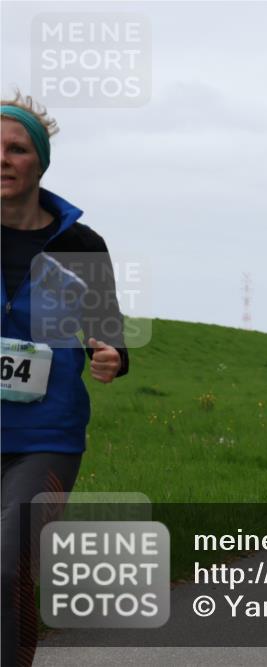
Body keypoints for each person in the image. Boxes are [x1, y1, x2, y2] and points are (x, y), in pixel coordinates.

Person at [2, 93, 130, 667]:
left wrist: (111, 358)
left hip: (46, 436)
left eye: (16, 149)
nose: (3, 159)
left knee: (9, 564)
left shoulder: (81, 245)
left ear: (40, 163)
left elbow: (110, 337)